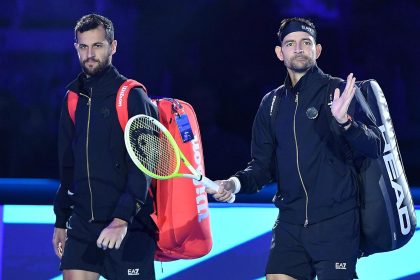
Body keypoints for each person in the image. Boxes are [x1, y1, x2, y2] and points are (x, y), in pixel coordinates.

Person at [207, 17, 383, 280]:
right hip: (290, 223)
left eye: (306, 42)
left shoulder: (339, 91)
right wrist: (234, 184)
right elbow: (261, 167)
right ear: (280, 53)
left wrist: (345, 122)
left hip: (337, 222)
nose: (298, 48)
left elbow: (376, 146)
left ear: (317, 50)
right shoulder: (271, 104)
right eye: (290, 43)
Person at [52, 14, 157, 280]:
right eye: (83, 46)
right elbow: (67, 165)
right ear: (76, 47)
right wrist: (61, 220)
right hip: (83, 226)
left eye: (97, 46)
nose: (90, 54)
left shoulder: (133, 96)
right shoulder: (72, 98)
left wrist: (122, 219)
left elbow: (145, 165)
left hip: (130, 227)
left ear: (113, 46)